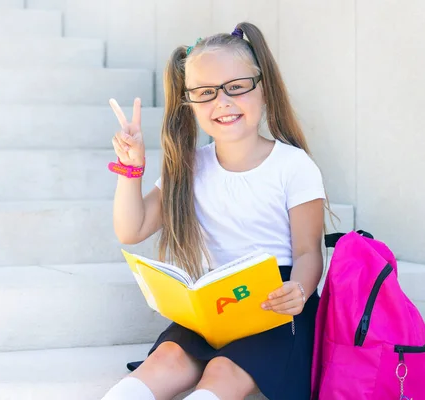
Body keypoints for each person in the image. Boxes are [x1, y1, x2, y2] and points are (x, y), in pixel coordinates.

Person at [103, 21, 327, 400]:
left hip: (274, 304)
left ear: (263, 87)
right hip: (213, 304)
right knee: (166, 359)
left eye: (236, 87)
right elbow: (132, 229)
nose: (222, 102)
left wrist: (300, 289)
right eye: (205, 93)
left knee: (223, 372)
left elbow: (308, 251)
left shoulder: (293, 165)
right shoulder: (189, 167)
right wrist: (131, 169)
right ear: (189, 102)